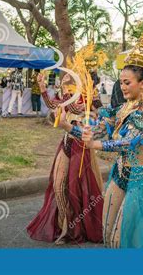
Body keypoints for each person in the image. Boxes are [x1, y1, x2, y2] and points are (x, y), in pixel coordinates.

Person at [60, 9, 143, 248]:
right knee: (107, 231)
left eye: (127, 82)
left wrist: (96, 144)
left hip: (139, 178)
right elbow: (98, 129)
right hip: (119, 174)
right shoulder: (121, 109)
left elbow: (129, 142)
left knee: (121, 237)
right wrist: (70, 126)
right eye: (121, 82)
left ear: (142, 83)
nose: (123, 87)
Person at [27, 45, 105, 245]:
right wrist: (44, 88)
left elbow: (80, 109)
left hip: (81, 146)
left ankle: (75, 229)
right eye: (63, 84)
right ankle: (66, 225)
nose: (64, 85)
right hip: (66, 143)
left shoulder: (87, 96)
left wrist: (69, 99)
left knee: (77, 188)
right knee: (58, 184)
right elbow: (55, 106)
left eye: (67, 84)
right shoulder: (68, 95)